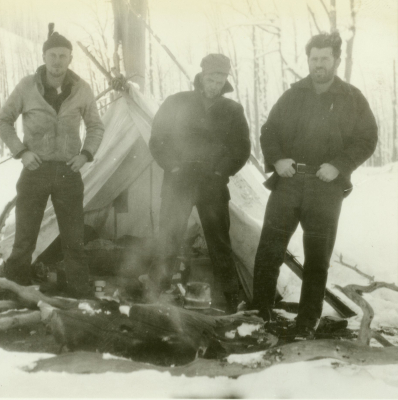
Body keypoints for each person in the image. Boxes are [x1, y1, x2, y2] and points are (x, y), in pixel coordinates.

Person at [251, 32, 378, 339]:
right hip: (289, 183)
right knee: (269, 250)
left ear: (335, 60)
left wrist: (339, 166)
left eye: (324, 58)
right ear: (308, 60)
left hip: (325, 189)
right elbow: (269, 132)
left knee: (317, 257)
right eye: (314, 59)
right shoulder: (294, 95)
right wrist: (279, 160)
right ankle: (258, 315)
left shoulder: (352, 98)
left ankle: (307, 322)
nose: (319, 64)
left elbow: (367, 139)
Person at [0, 26, 105, 298]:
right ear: (44, 57)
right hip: (36, 171)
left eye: (63, 56)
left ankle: (79, 293)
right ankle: (16, 290)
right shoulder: (27, 86)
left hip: (68, 172)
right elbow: (3, 121)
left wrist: (85, 155)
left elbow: (96, 127)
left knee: (73, 239)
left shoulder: (82, 89)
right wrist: (22, 152)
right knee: (24, 238)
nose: (58, 61)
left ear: (70, 59)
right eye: (53, 55)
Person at [147, 53, 251, 312]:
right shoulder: (176, 102)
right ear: (201, 76)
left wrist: (219, 173)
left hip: (212, 185)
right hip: (178, 182)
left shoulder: (233, 110)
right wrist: (174, 165)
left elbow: (241, 149)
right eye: (211, 78)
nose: (215, 84)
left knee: (219, 242)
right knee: (168, 238)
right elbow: (157, 140)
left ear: (226, 79)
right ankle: (155, 294)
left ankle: (229, 299)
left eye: (220, 79)